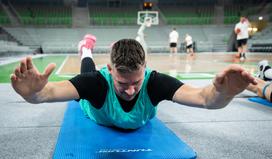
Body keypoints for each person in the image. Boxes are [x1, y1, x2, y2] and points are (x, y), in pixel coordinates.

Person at [10, 36, 257, 130]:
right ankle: (85, 49)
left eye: (136, 82)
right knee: (86, 72)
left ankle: (87, 50)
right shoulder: (97, 83)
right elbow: (46, 94)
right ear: (110, 71)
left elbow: (205, 99)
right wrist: (32, 94)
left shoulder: (155, 82)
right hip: (94, 107)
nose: (130, 90)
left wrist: (224, 94)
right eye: (121, 83)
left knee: (92, 79)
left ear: (145, 69)